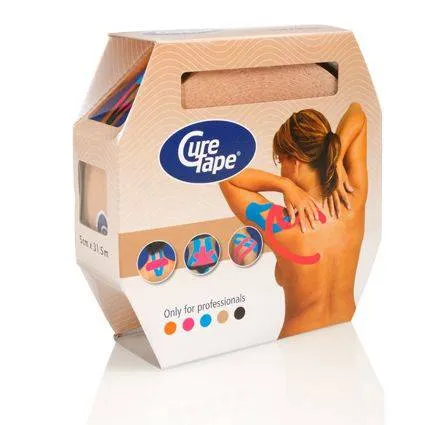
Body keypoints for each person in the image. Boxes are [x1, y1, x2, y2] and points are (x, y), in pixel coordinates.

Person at [219, 103, 367, 337]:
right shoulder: (353, 200)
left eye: (281, 162)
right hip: (348, 336)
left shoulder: (282, 226)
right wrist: (338, 158)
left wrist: (283, 185)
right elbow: (357, 113)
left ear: (295, 162)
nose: (281, 171)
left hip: (297, 347)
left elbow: (225, 175)